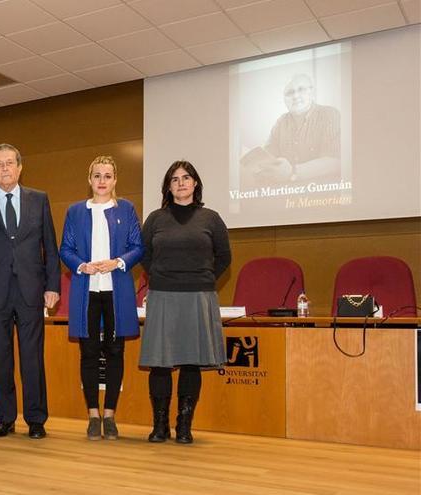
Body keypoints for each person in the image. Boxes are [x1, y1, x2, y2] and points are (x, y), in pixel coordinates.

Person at [0, 143, 60, 439]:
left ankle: (35, 419)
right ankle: (5, 418)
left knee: (32, 357)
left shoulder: (39, 199)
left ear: (20, 168)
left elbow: (51, 248)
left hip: (32, 291)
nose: (6, 168)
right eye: (0, 164)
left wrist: (53, 287)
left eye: (10, 163)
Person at [139, 160, 231, 444]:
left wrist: (202, 278)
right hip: (163, 295)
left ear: (195, 184)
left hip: (197, 296)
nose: (181, 182)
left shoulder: (211, 218)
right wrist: (161, 276)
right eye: (174, 179)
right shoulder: (155, 218)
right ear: (168, 186)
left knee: (191, 363)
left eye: (186, 178)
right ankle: (160, 426)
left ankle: (184, 426)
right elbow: (144, 255)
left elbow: (224, 257)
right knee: (160, 363)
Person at [59, 156, 143, 441]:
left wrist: (117, 261)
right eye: (97, 175)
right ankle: (93, 415)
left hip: (116, 290)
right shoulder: (76, 212)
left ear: (115, 179)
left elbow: (137, 246)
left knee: (116, 351)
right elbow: (66, 249)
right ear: (90, 179)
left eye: (108, 175)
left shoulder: (127, 209)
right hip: (87, 291)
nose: (102, 181)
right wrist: (82, 266)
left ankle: (110, 414)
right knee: (89, 353)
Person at [241, 74, 341, 185]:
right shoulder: (281, 122)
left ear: (312, 93)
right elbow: (270, 156)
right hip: (286, 196)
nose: (295, 96)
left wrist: (292, 172)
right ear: (284, 99)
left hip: (323, 196)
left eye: (301, 90)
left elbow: (335, 161)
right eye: (289, 93)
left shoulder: (330, 114)